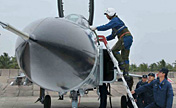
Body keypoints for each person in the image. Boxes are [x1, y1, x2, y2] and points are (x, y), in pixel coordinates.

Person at [91, 8, 133, 76]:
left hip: (124, 38)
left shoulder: (115, 20)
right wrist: (102, 39)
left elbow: (107, 26)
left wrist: (96, 28)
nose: (106, 16)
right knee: (125, 57)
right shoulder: (115, 25)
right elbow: (112, 36)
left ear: (110, 14)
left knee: (114, 50)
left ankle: (121, 64)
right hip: (128, 38)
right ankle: (126, 73)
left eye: (107, 15)